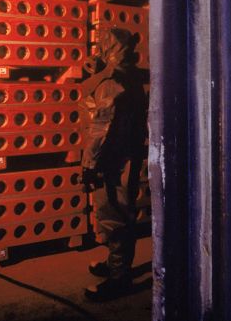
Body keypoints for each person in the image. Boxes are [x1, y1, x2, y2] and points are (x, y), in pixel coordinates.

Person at [80, 28, 148, 301]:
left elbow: (101, 128)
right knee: (119, 214)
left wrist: (89, 164)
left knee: (115, 217)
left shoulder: (111, 83)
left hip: (114, 160)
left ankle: (119, 279)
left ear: (109, 49)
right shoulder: (129, 76)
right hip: (127, 155)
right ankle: (115, 263)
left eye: (101, 47)